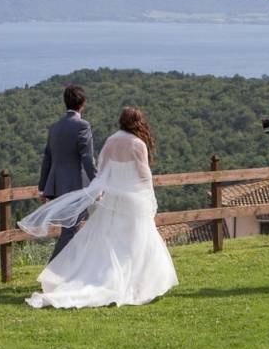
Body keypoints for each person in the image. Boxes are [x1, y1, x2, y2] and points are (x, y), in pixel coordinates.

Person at [18, 107, 178, 309]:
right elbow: (144, 176)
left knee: (111, 242)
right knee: (134, 243)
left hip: (112, 201)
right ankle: (135, 283)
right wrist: (150, 199)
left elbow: (101, 171)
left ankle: (110, 278)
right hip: (133, 201)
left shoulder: (111, 141)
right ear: (138, 122)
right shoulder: (138, 144)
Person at [38, 84, 98, 261]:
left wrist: (43, 187)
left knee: (70, 228)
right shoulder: (82, 126)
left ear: (65, 103)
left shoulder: (55, 127)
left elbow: (47, 158)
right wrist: (97, 184)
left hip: (57, 185)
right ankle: (52, 271)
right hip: (76, 186)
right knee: (70, 230)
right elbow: (88, 158)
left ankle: (70, 270)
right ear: (83, 103)